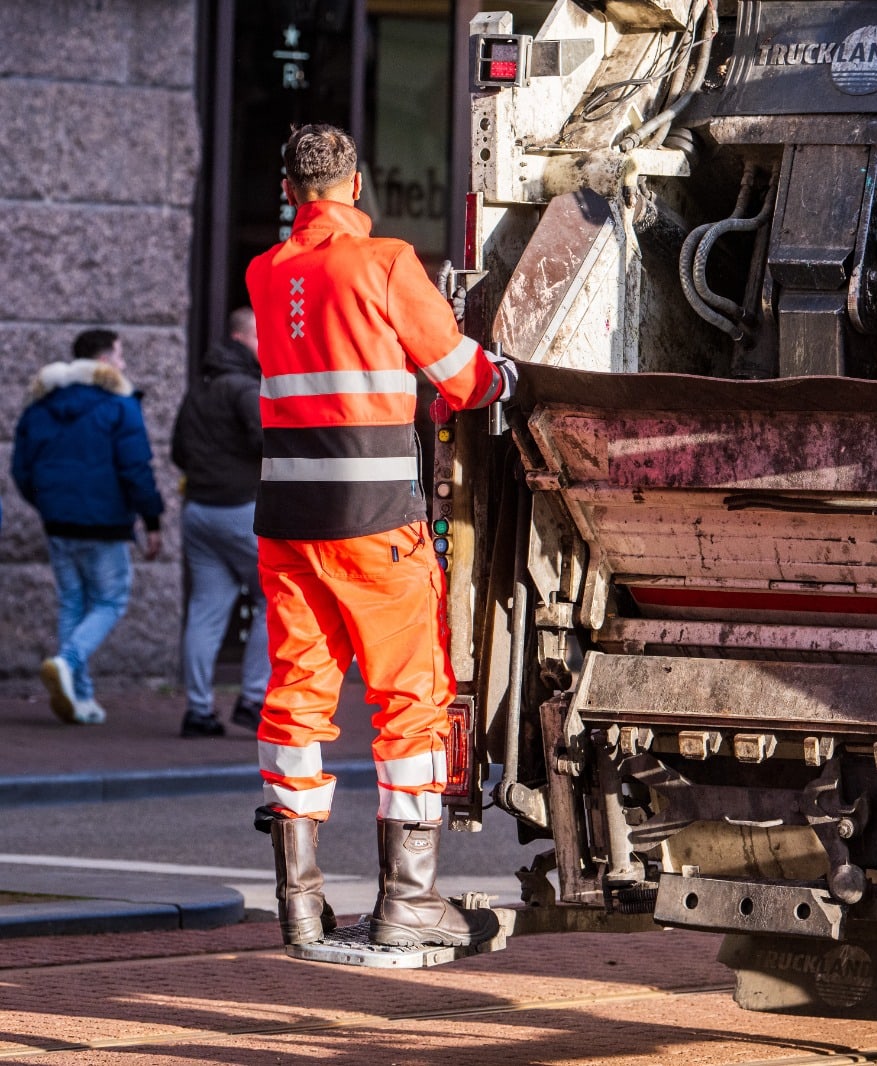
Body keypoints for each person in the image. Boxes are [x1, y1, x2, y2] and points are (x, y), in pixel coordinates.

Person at [246, 124, 522, 949]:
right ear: (356, 183)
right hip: (374, 525)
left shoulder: (266, 273)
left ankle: (299, 905)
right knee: (410, 703)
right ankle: (407, 903)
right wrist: (509, 374)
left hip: (288, 527)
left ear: (290, 189)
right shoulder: (387, 263)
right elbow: (464, 381)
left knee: (297, 698)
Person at [11, 330, 165, 725]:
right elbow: (135, 468)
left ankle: (80, 697)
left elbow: (21, 469)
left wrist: (48, 504)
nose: (124, 363)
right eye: (120, 354)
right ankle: (68, 661)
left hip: (58, 522)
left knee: (73, 603)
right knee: (111, 600)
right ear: (104, 359)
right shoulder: (119, 405)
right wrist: (151, 519)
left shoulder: (40, 405)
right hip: (105, 522)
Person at [171, 307, 269, 738]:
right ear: (246, 337)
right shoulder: (245, 388)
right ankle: (252, 700)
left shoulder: (200, 388)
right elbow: (270, 443)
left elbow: (177, 451)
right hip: (240, 510)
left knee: (206, 611)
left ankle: (198, 711)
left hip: (198, 511)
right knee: (277, 597)